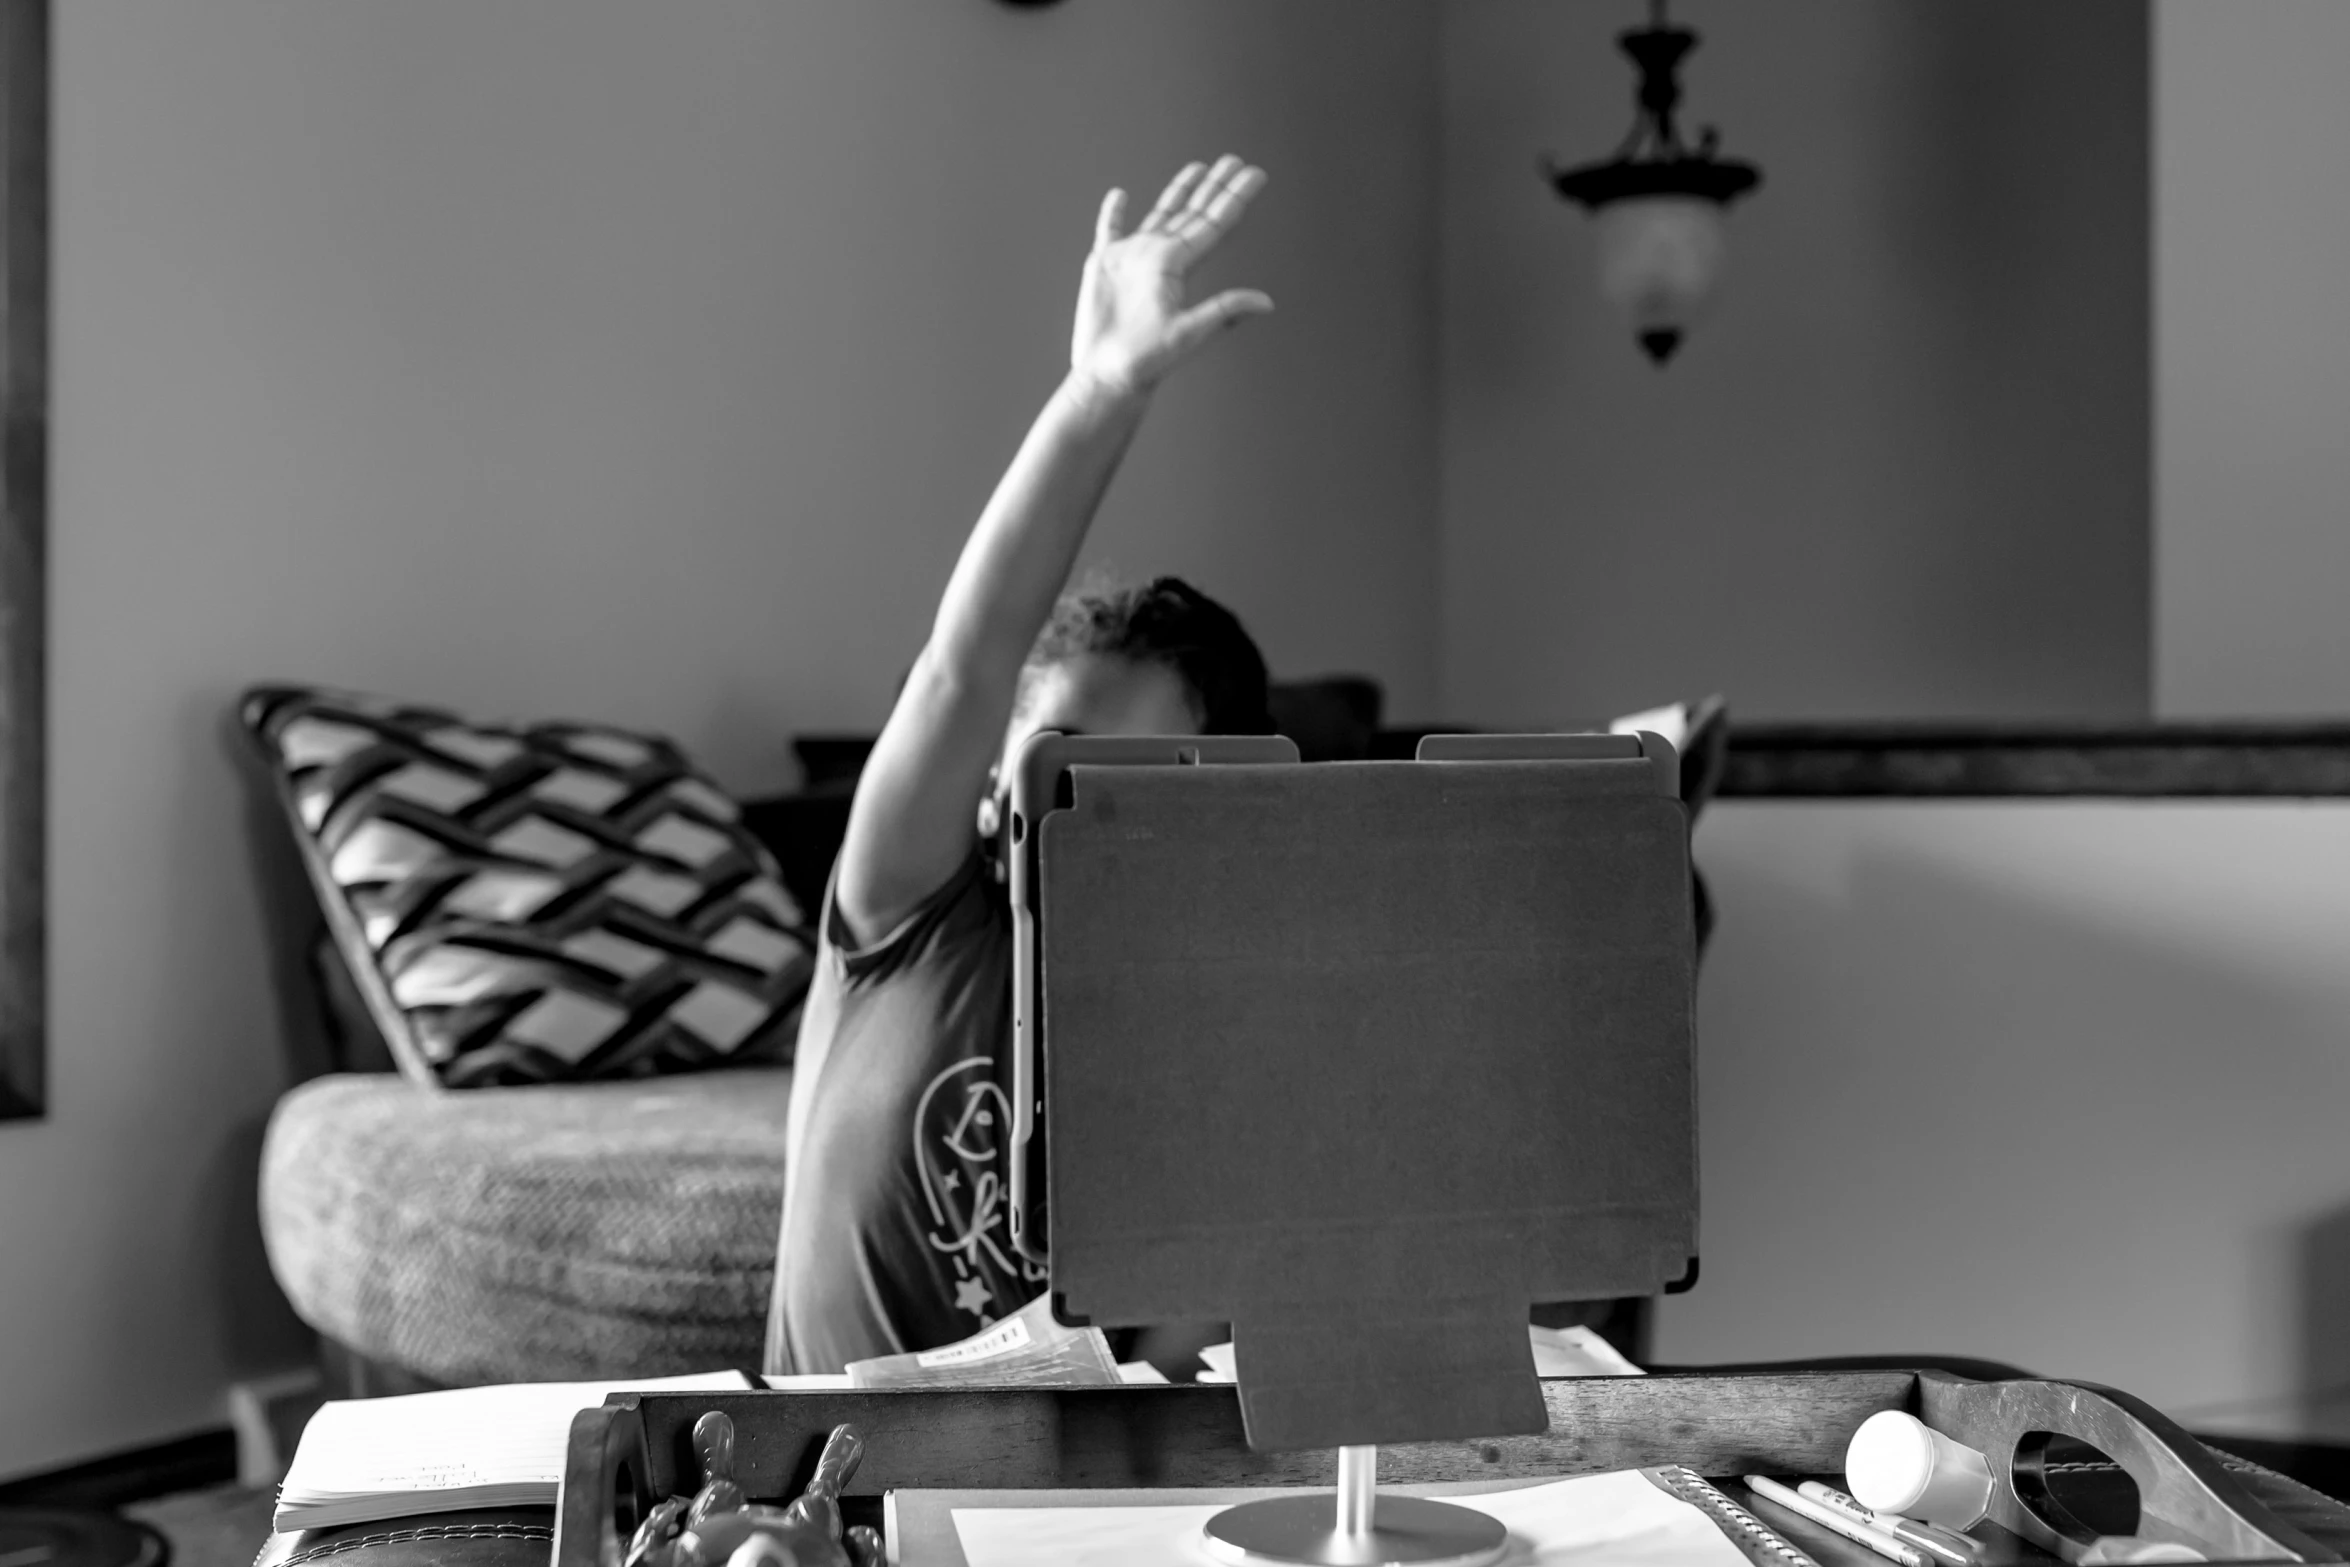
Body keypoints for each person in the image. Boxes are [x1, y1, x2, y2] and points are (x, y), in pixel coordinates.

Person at [767, 155, 1278, 1374]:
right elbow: (965, 658)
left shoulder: (1205, 1050)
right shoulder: (909, 916)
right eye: (1054, 764)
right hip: (815, 1503)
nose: (1073, 812)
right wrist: (1099, 393)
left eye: (1134, 784)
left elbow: (1171, 1381)